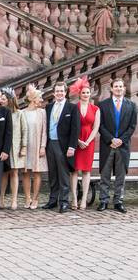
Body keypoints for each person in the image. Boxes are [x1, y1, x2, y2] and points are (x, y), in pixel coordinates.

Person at [97, 78, 137, 213]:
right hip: (107, 145)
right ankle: (103, 200)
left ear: (124, 89)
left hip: (123, 146)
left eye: (121, 86)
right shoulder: (103, 105)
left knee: (121, 175)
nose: (119, 88)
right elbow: (100, 125)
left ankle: (118, 201)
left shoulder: (131, 106)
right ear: (112, 88)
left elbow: (132, 126)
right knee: (105, 174)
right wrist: (111, 139)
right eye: (116, 86)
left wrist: (121, 140)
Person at [42, 82, 80, 213]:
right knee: (52, 173)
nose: (59, 93)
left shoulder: (72, 108)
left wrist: (72, 147)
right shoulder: (48, 107)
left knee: (63, 174)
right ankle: (53, 200)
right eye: (57, 91)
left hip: (63, 145)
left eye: (61, 91)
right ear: (54, 93)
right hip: (50, 143)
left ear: (66, 92)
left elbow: (75, 129)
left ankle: (64, 201)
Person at [69, 77, 100, 210]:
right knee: (74, 171)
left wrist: (87, 141)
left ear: (90, 94)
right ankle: (75, 199)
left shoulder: (95, 109)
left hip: (89, 142)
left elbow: (96, 127)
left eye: (88, 93)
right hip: (75, 140)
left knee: (86, 171)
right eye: (83, 93)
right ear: (79, 94)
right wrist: (77, 140)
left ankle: (84, 200)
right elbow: (70, 127)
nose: (86, 95)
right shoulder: (73, 108)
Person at [0, 87, 27, 210]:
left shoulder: (19, 114)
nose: (1, 101)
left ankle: (14, 200)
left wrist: (23, 147)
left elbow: (24, 131)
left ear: (10, 100)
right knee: (4, 173)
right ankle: (1, 199)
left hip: (15, 147)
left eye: (3, 99)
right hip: (3, 147)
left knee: (14, 173)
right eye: (0, 99)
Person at [22, 84, 47, 209]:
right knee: (26, 172)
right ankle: (27, 198)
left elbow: (44, 131)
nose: (41, 100)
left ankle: (36, 198)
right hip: (26, 146)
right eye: (39, 97)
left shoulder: (42, 112)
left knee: (37, 172)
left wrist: (43, 146)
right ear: (32, 99)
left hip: (37, 146)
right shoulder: (23, 113)